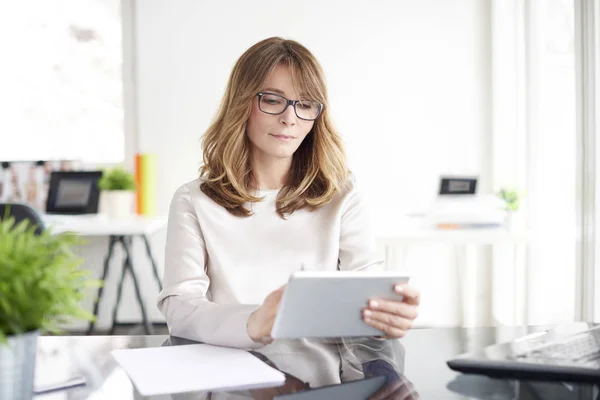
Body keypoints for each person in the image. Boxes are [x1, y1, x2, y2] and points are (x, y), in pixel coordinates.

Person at [157, 37, 420, 349]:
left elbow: (367, 287)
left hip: (321, 374)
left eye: (305, 104)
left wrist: (387, 316)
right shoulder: (194, 200)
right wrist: (252, 323)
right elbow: (180, 306)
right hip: (228, 367)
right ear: (241, 103)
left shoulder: (341, 193)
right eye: (272, 100)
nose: (290, 117)